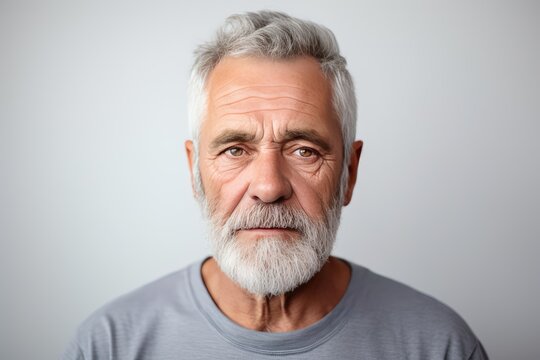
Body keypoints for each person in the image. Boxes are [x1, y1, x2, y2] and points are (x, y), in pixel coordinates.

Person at [63, 10, 489, 359]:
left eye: (304, 150)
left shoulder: (439, 346)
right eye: (235, 150)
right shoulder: (109, 345)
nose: (268, 187)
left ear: (349, 174)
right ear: (195, 172)